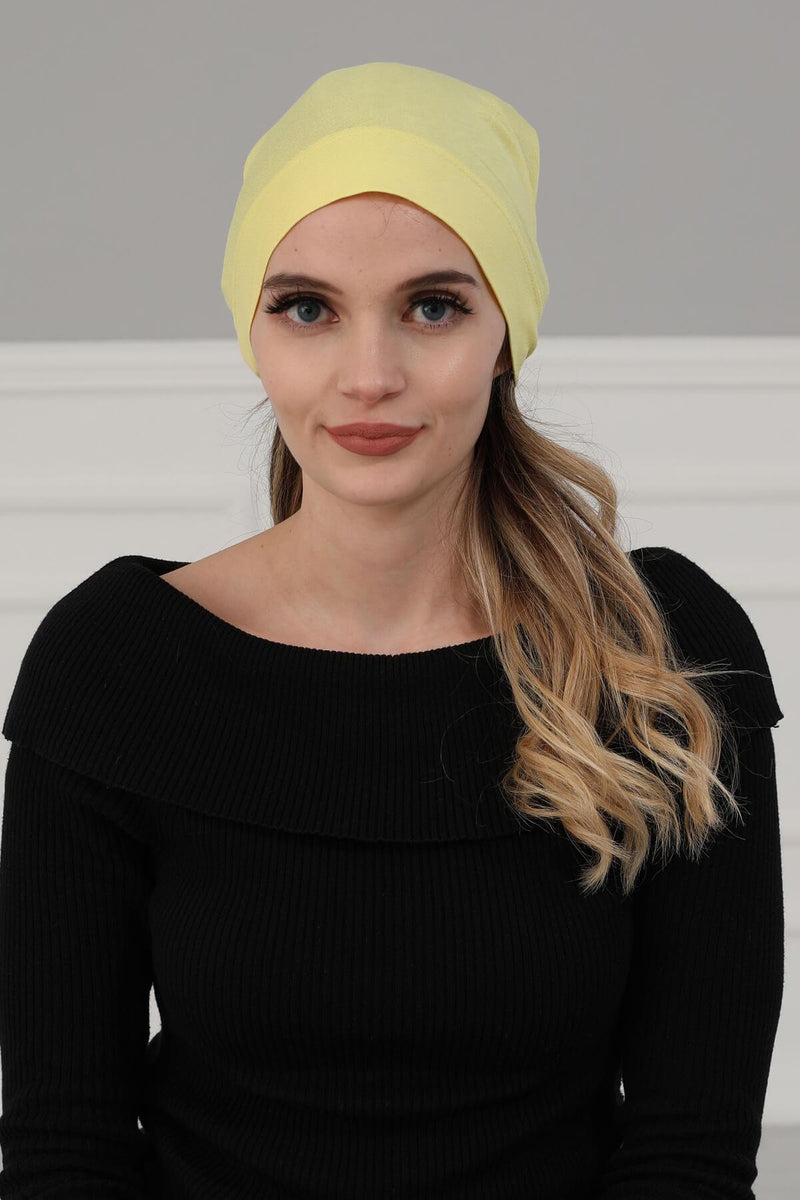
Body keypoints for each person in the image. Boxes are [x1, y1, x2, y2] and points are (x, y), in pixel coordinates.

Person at [0, 61, 784, 1200]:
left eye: (432, 306)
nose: (369, 376)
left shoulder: (659, 652)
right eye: (307, 308)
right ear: (254, 335)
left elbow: (691, 1155)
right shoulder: (118, 663)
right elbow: (63, 1154)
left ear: (505, 334)